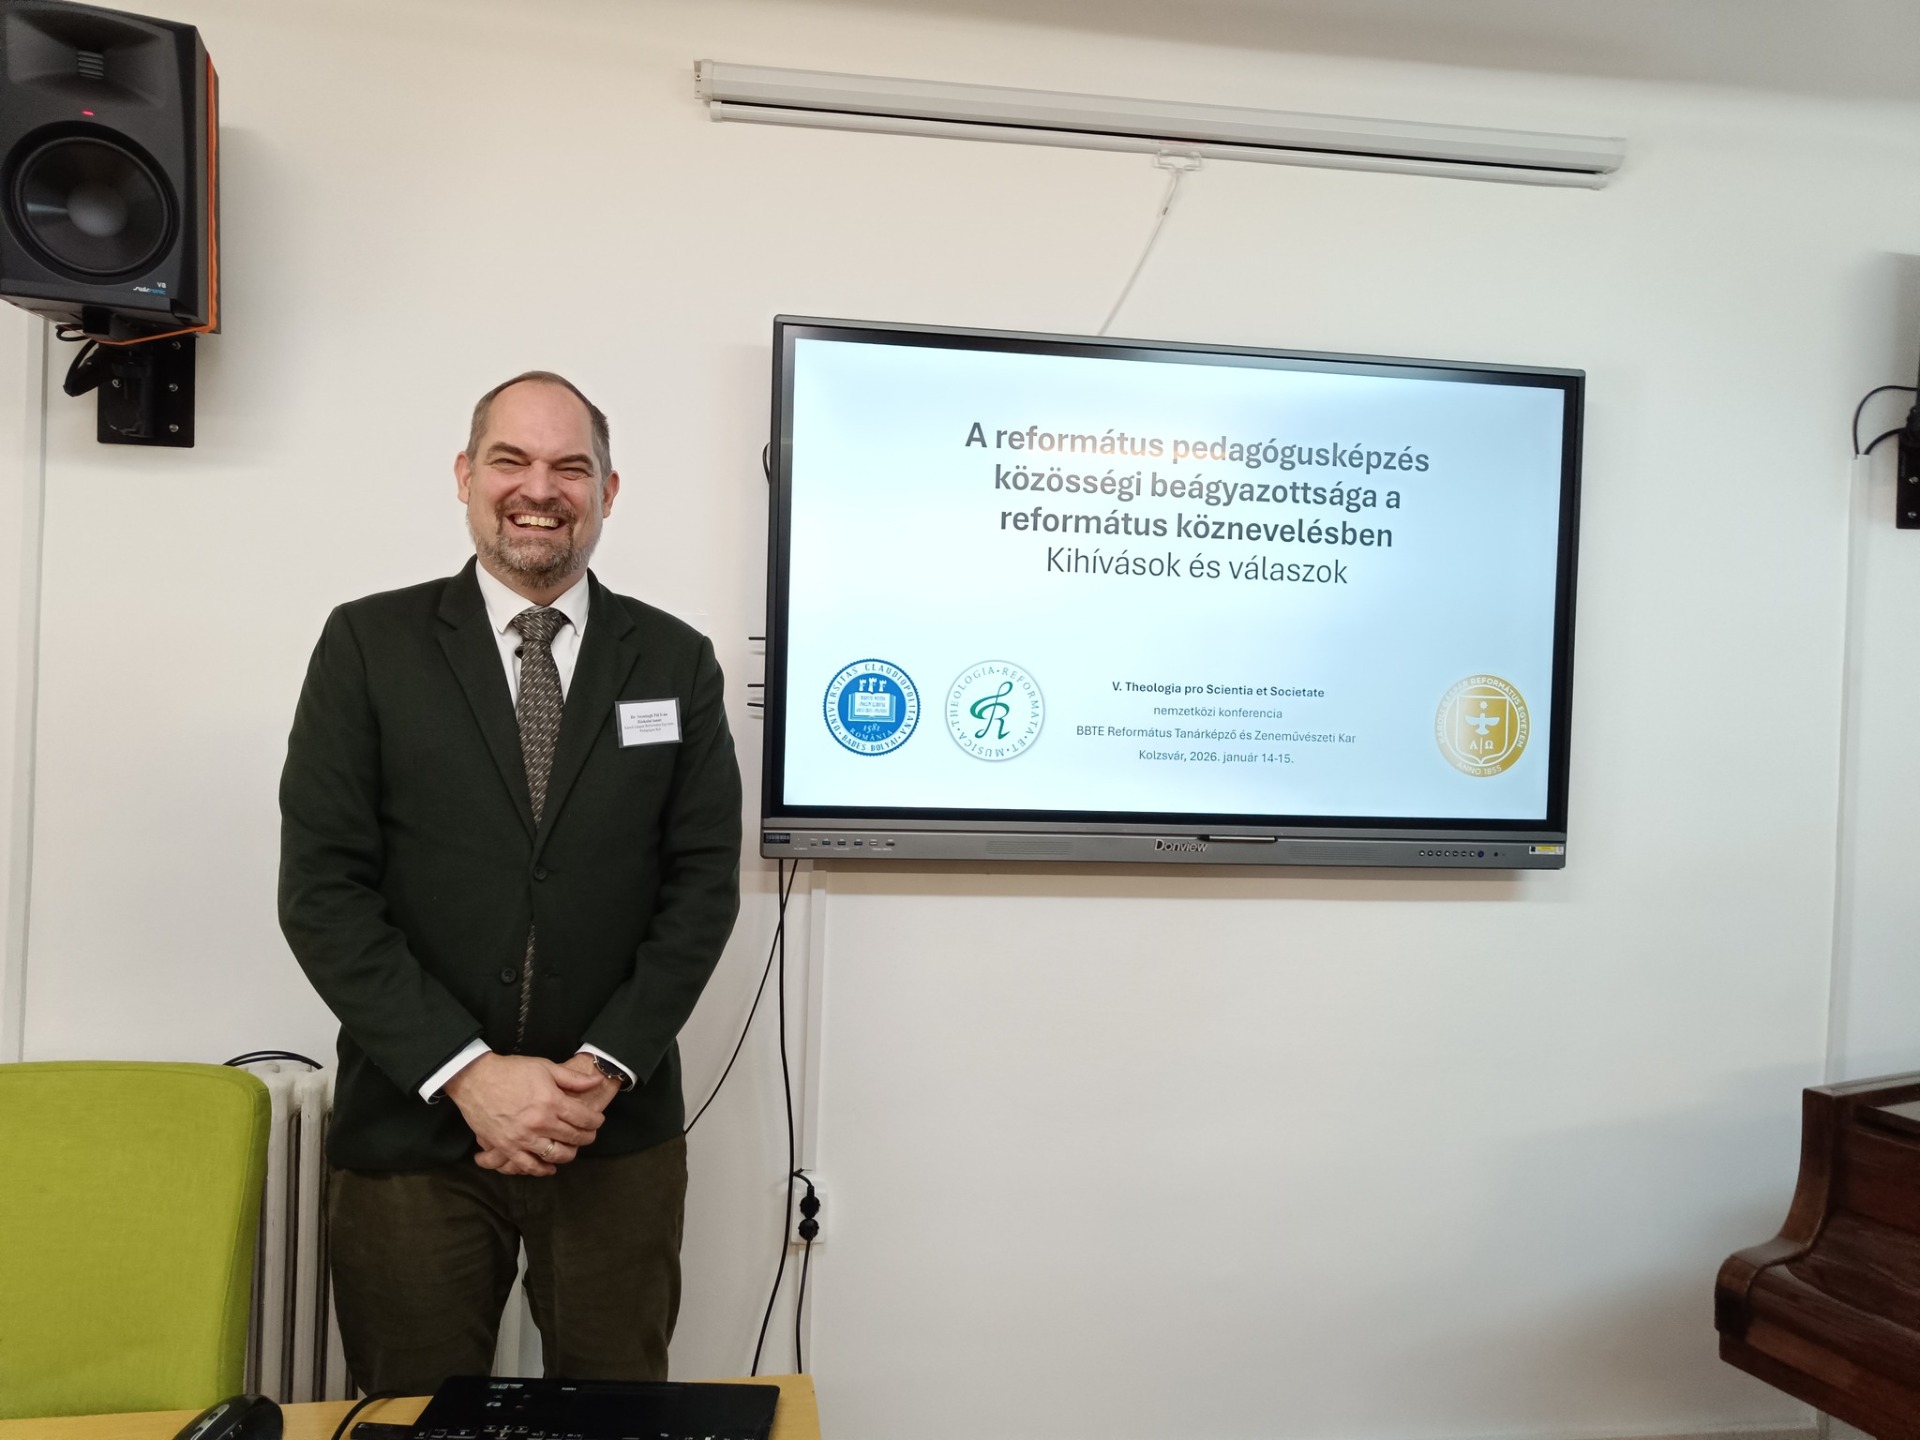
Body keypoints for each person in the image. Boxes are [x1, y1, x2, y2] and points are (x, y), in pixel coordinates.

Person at [278, 371, 742, 1391]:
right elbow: (323, 890)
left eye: (571, 467)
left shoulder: (674, 662)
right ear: (465, 476)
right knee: (410, 1414)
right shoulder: (368, 645)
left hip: (610, 1131)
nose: (540, 489)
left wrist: (600, 1072)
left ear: (607, 491)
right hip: (414, 1129)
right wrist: (470, 1075)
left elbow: (703, 886)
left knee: (616, 1415)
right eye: (511, 460)